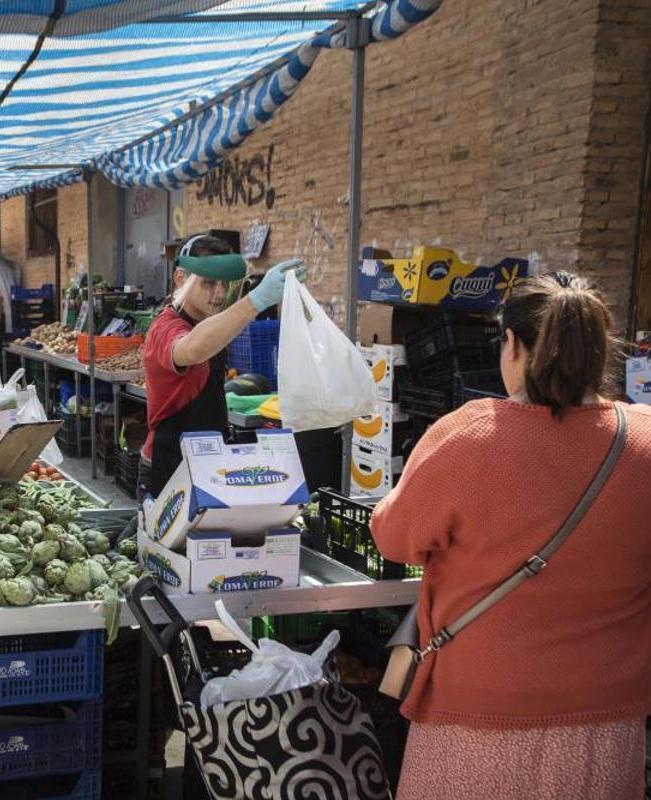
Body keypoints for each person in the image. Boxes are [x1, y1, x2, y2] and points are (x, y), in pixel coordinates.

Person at [370, 272, 651, 800]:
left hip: (476, 718)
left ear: (513, 345)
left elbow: (394, 538)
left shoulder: (471, 434)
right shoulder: (645, 439)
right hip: (608, 722)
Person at [139, 235, 305, 495]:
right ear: (180, 279)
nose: (219, 293)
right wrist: (256, 300)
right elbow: (191, 349)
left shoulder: (209, 322)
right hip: (169, 465)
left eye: (224, 284)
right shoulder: (166, 327)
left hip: (208, 461)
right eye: (208, 282)